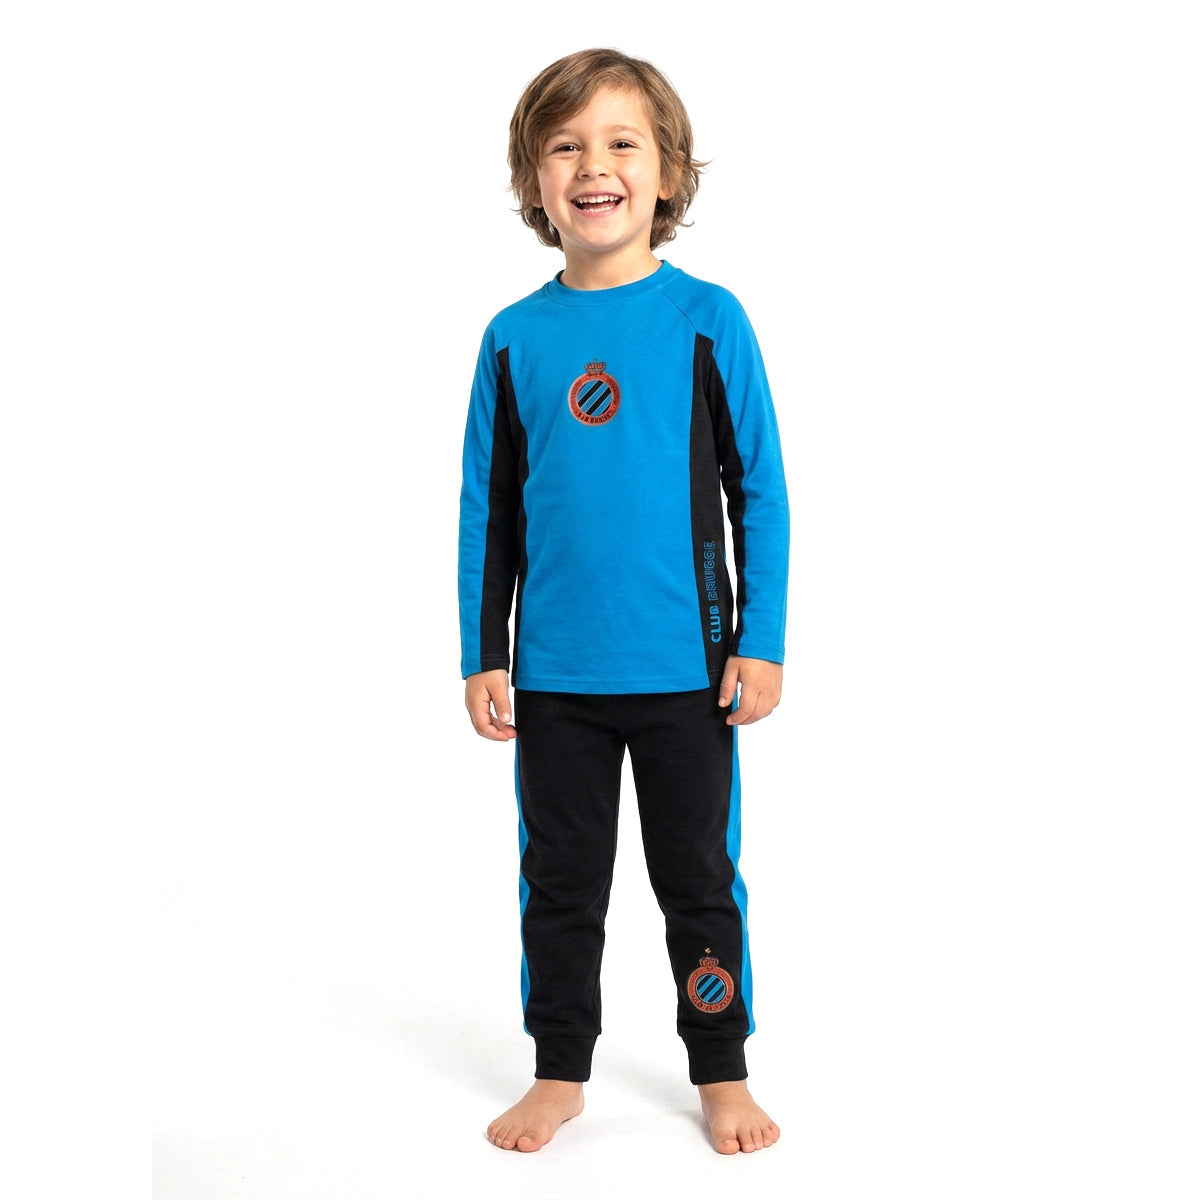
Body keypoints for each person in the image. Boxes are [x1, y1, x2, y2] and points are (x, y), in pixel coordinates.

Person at [457, 47, 789, 1156]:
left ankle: (721, 1069)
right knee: (560, 885)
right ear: (534, 181)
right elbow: (488, 509)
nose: (592, 166)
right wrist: (483, 651)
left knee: (699, 882)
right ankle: (559, 1070)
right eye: (565, 147)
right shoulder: (514, 338)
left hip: (689, 671)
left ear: (668, 172)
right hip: (556, 676)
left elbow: (760, 490)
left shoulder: (707, 320)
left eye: (620, 143)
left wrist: (760, 640)